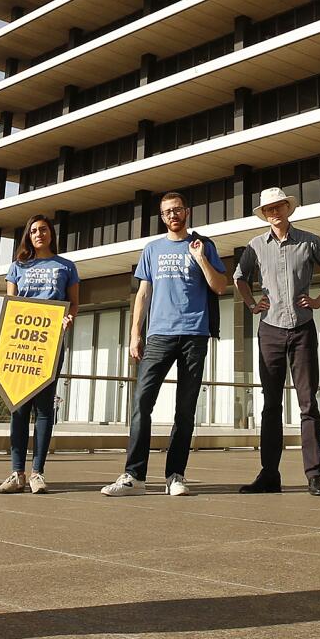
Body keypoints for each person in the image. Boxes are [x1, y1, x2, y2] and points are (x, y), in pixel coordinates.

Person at [103, 191, 231, 498]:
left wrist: (200, 258)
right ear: (162, 217)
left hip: (194, 334)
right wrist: (135, 334)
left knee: (185, 409)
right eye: (167, 212)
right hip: (158, 335)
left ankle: (176, 475)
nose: (173, 215)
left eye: (177, 210)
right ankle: (134, 476)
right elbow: (143, 294)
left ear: (187, 211)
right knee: (141, 403)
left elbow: (220, 286)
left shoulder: (204, 246)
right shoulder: (152, 249)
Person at [233, 186, 320, 496]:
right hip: (270, 331)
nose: (274, 212)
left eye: (278, 206)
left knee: (308, 403)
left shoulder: (310, 241)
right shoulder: (255, 245)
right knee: (271, 405)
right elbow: (239, 277)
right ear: (264, 214)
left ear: (288, 208)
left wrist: (318, 301)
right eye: (268, 209)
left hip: (302, 329)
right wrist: (251, 305)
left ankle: (314, 474)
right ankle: (269, 474)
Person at [0, 213, 80, 493]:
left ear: (51, 234)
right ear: (28, 236)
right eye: (33, 230)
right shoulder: (17, 267)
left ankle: (37, 473)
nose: (39, 234)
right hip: (19, 342)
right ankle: (16, 472)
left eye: (43, 229)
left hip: (51, 342)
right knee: (19, 407)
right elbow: (9, 306)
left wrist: (68, 319)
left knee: (45, 407)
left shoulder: (66, 266)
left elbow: (74, 304)